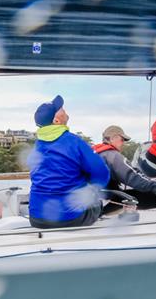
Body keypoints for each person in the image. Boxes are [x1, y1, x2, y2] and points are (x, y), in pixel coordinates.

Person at [26, 95, 110, 228]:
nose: (63, 109)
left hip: (37, 218)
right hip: (71, 218)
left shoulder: (37, 146)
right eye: (60, 109)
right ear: (56, 120)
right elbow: (102, 174)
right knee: (96, 202)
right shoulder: (74, 142)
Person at [93, 125, 156, 198]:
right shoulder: (112, 156)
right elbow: (132, 175)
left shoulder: (96, 153)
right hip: (99, 203)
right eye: (122, 140)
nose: (123, 143)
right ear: (112, 138)